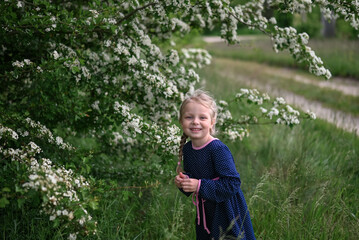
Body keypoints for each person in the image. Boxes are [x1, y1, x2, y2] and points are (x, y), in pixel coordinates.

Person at [174, 89, 256, 240]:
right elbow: (196, 176)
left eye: (202, 117)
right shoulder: (188, 148)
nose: (195, 122)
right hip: (205, 210)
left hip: (226, 209)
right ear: (181, 121)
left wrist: (199, 185)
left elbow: (232, 183)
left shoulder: (217, 149)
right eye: (189, 117)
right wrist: (185, 181)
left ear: (212, 121)